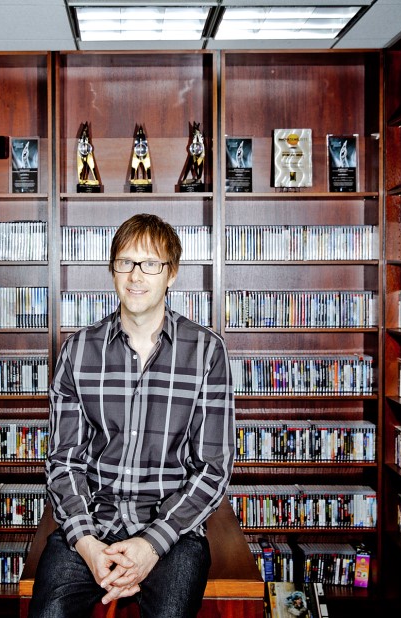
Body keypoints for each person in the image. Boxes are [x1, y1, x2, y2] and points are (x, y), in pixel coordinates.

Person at [29, 213, 235, 618]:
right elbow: (63, 460)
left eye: (150, 264)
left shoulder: (207, 352)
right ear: (113, 270)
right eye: (126, 262)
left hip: (172, 532)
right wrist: (86, 542)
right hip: (92, 524)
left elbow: (213, 469)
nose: (136, 276)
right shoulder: (78, 351)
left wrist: (150, 544)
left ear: (171, 273)